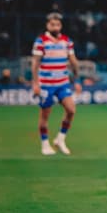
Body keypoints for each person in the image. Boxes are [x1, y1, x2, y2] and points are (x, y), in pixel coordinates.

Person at [31, 12, 82, 156]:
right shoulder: (41, 41)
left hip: (62, 83)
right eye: (52, 24)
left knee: (71, 110)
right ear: (47, 25)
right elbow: (35, 63)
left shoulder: (67, 41)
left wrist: (77, 80)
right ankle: (45, 144)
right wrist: (35, 84)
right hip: (46, 85)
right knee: (45, 116)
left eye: (58, 24)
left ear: (61, 26)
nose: (55, 27)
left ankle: (60, 139)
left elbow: (73, 61)